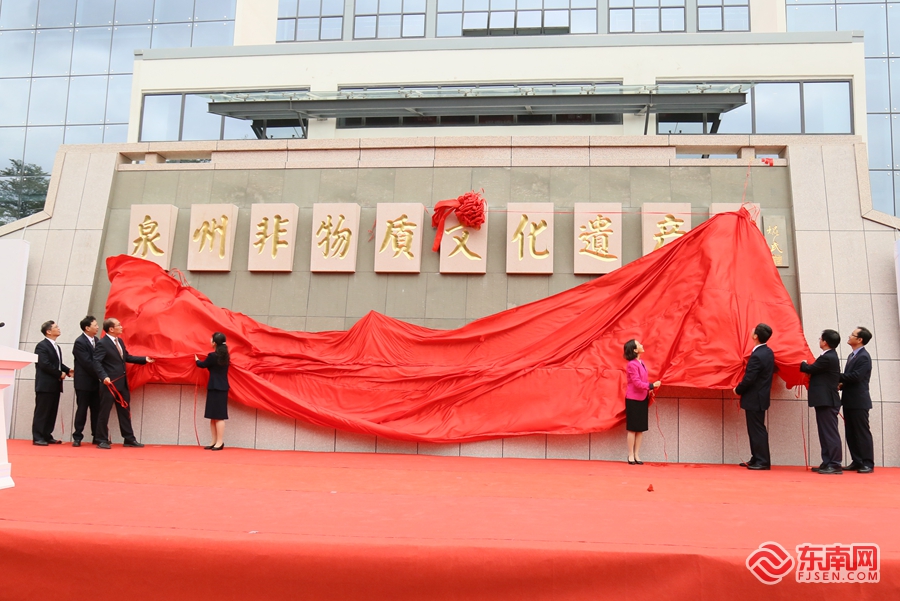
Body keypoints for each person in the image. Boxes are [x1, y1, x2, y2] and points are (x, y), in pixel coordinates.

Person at [93, 318, 154, 449]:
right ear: (111, 329)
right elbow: (96, 362)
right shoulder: (102, 343)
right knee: (104, 412)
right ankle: (101, 439)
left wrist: (144, 359)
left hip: (122, 383)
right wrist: (104, 376)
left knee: (125, 411)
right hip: (109, 384)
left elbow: (127, 357)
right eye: (118, 325)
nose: (121, 327)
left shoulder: (119, 341)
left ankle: (129, 439)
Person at [800, 329, 843, 475]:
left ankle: (835, 463)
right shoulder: (828, 356)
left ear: (825, 342)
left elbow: (811, 368)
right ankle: (827, 462)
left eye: (820, 339)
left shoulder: (828, 357)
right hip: (824, 400)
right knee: (824, 433)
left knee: (829, 433)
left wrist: (802, 363)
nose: (819, 340)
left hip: (827, 401)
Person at [734, 323, 774, 470]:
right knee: (755, 429)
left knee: (757, 429)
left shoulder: (758, 355)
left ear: (756, 336)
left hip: (755, 397)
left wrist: (738, 389)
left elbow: (750, 378)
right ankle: (757, 457)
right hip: (760, 396)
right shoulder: (767, 352)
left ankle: (762, 461)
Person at [32, 320, 72, 446]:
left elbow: (57, 363)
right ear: (48, 331)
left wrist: (67, 370)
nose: (59, 329)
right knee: (42, 411)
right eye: (56, 327)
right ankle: (38, 436)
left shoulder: (56, 346)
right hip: (45, 385)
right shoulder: (42, 346)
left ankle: (47, 435)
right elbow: (44, 364)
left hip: (55, 385)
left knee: (51, 411)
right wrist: (59, 373)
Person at [840, 327, 874, 474]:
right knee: (851, 432)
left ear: (860, 340)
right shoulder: (851, 356)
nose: (849, 336)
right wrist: (841, 384)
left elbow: (856, 376)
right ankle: (857, 461)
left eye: (853, 335)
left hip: (859, 401)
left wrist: (835, 375)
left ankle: (867, 463)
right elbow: (851, 377)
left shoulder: (864, 357)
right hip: (849, 400)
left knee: (861, 432)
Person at [623, 339, 660, 465]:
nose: (642, 345)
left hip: (642, 397)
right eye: (639, 345)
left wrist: (648, 390)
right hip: (633, 399)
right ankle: (630, 454)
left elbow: (642, 381)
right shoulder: (632, 364)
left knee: (640, 429)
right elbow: (637, 383)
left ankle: (637, 454)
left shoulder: (641, 362)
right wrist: (651, 386)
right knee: (632, 428)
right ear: (634, 350)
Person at [195, 332, 230, 451]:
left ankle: (219, 442)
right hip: (222, 387)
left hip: (215, 387)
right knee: (214, 416)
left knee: (218, 416)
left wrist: (196, 360)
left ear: (214, 343)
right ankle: (214, 441)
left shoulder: (212, 356)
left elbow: (202, 365)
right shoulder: (225, 355)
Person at [71, 315, 101, 447]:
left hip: (96, 382)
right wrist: (101, 373)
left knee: (96, 409)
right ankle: (77, 436)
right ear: (87, 328)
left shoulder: (97, 340)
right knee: (82, 409)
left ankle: (97, 436)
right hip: (84, 382)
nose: (98, 327)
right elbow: (87, 363)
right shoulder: (80, 342)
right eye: (95, 325)